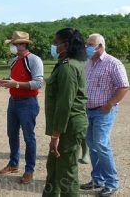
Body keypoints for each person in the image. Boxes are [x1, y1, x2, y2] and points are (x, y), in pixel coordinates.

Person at [80, 33, 129, 197]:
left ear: (100, 46)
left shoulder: (113, 63)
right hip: (89, 111)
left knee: (101, 144)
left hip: (104, 111)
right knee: (92, 145)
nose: (87, 47)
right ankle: (98, 179)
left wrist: (110, 104)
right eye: (87, 44)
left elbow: (123, 86)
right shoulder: (88, 63)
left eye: (90, 44)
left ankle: (112, 182)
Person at [42, 28, 88, 197]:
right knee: (53, 169)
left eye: (56, 43)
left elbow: (65, 104)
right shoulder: (65, 63)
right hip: (65, 125)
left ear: (66, 45)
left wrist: (55, 136)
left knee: (67, 173)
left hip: (69, 125)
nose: (54, 46)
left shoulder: (68, 68)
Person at [0, 31, 43, 184]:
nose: (12, 47)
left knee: (29, 137)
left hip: (28, 102)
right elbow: (13, 79)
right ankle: (14, 164)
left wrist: (15, 84)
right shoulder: (15, 60)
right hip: (14, 101)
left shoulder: (34, 60)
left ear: (23, 45)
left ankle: (29, 170)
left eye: (14, 44)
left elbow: (38, 83)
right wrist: (4, 81)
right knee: (12, 134)